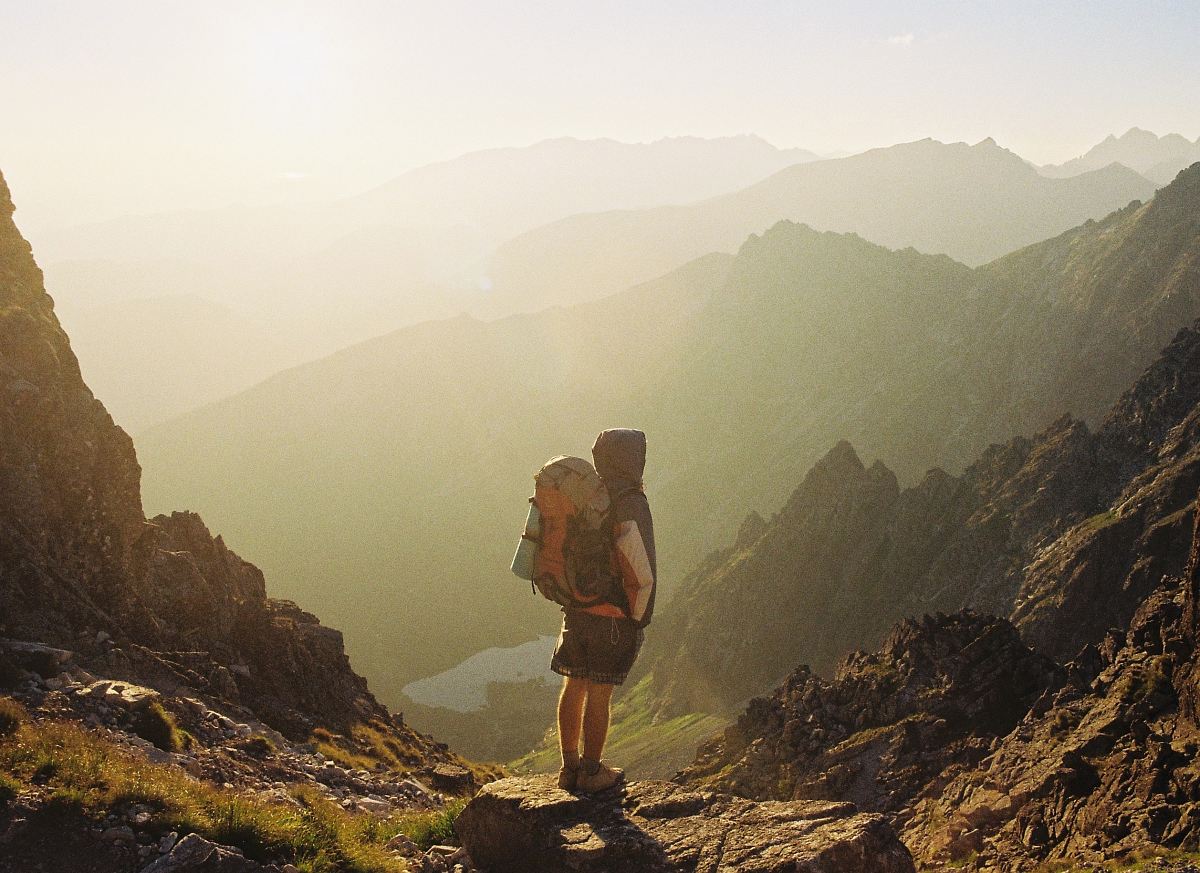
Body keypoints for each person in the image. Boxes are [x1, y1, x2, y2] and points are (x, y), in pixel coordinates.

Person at [551, 428, 657, 793]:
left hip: (576, 609)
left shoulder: (585, 496)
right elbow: (640, 567)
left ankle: (569, 768)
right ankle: (593, 772)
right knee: (600, 692)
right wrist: (638, 618)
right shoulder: (630, 502)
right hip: (612, 617)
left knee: (573, 683)